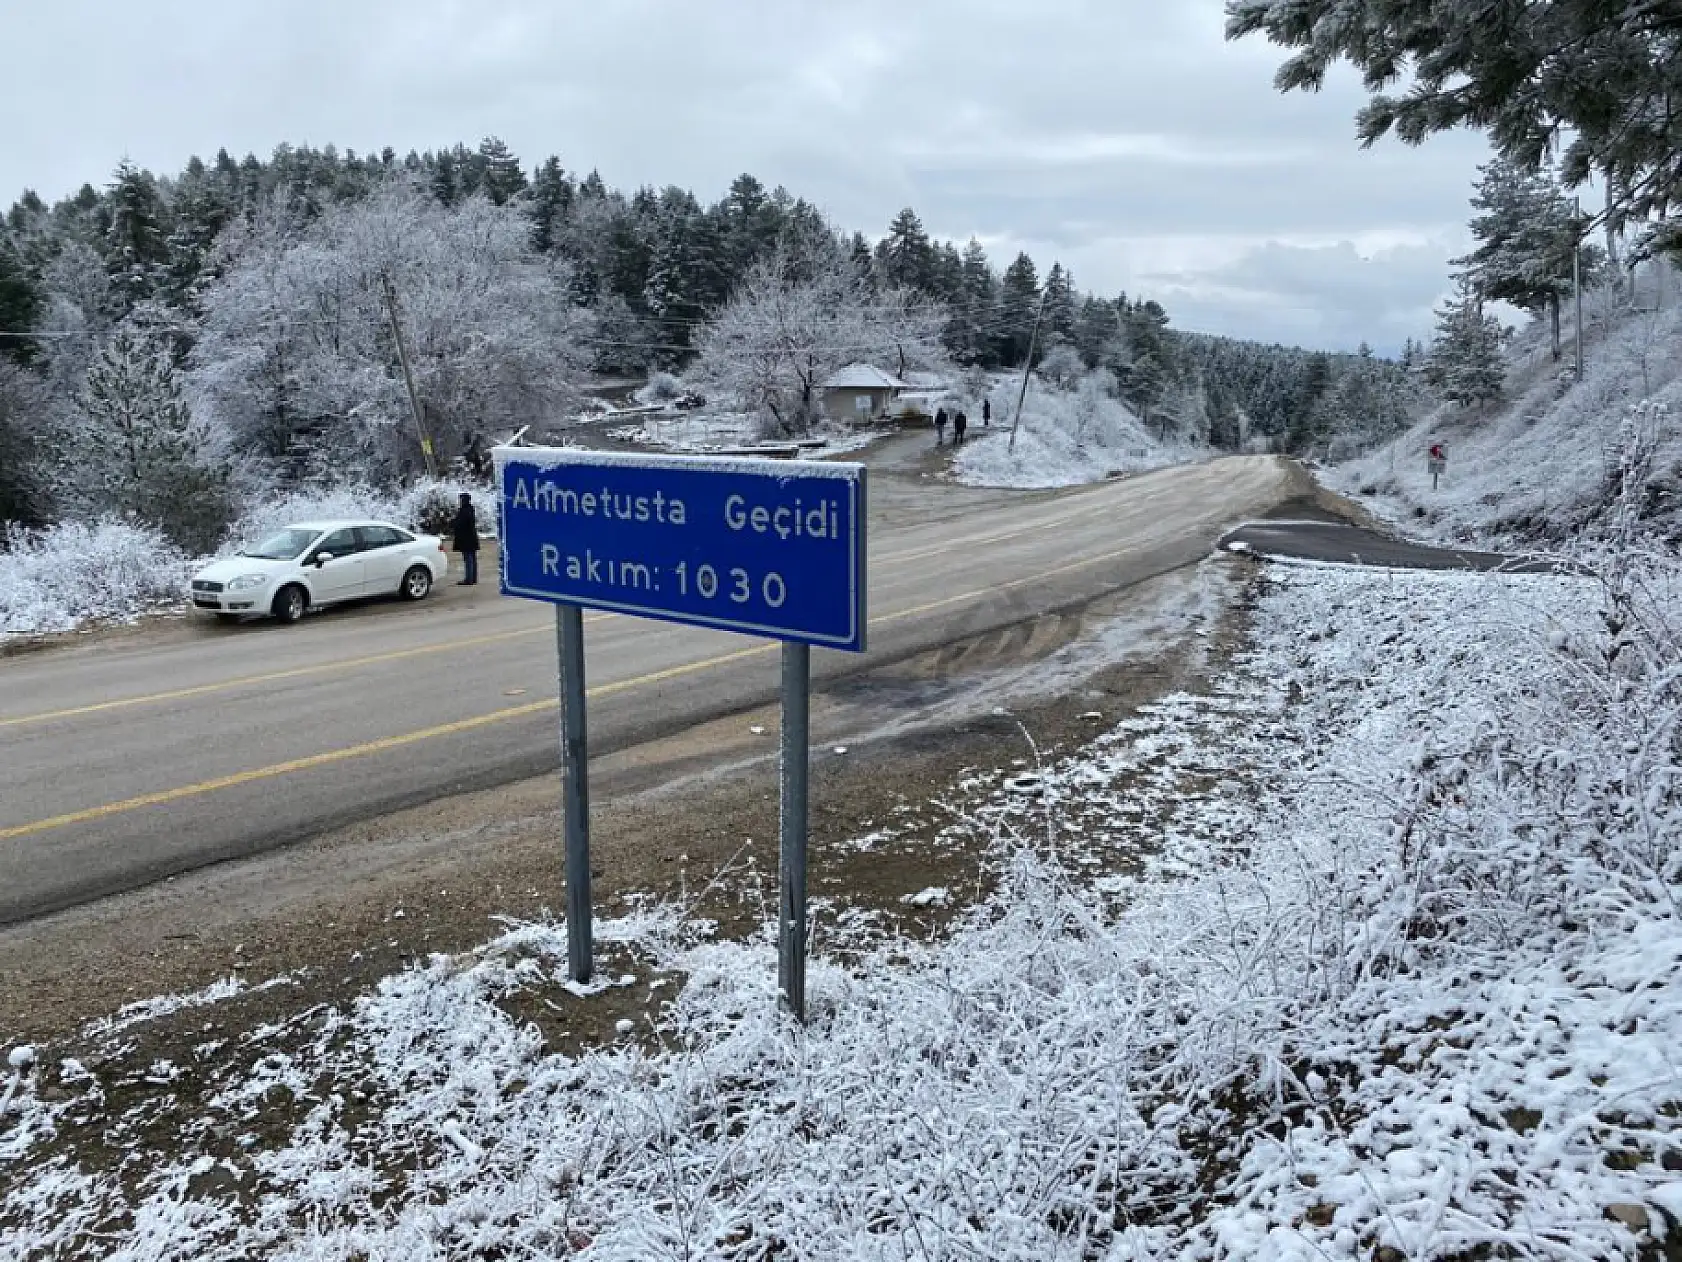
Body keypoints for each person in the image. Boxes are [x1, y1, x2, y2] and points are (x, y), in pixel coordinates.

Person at [452, 492, 480, 586]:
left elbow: (460, 523)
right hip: (472, 537)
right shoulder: (471, 509)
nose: (460, 501)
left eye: (461, 499)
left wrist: (453, 523)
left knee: (468, 559)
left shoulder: (464, 511)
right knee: (472, 558)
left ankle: (469, 579)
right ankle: (473, 578)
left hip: (466, 538)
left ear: (464, 500)